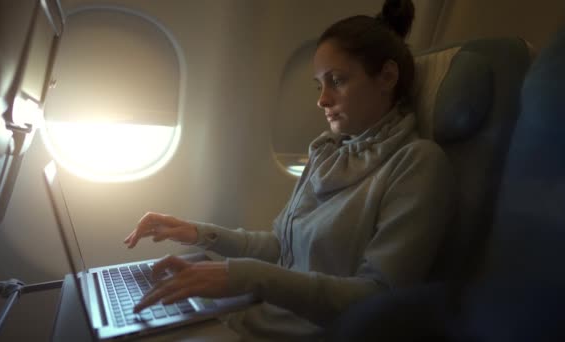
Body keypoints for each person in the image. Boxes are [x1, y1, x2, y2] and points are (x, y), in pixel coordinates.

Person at [123, 0, 454, 340]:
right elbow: (282, 248)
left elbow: (378, 299)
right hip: (255, 318)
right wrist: (199, 233)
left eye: (336, 81)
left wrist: (244, 276)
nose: (322, 100)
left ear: (387, 77)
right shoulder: (329, 154)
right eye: (319, 85)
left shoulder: (416, 164)